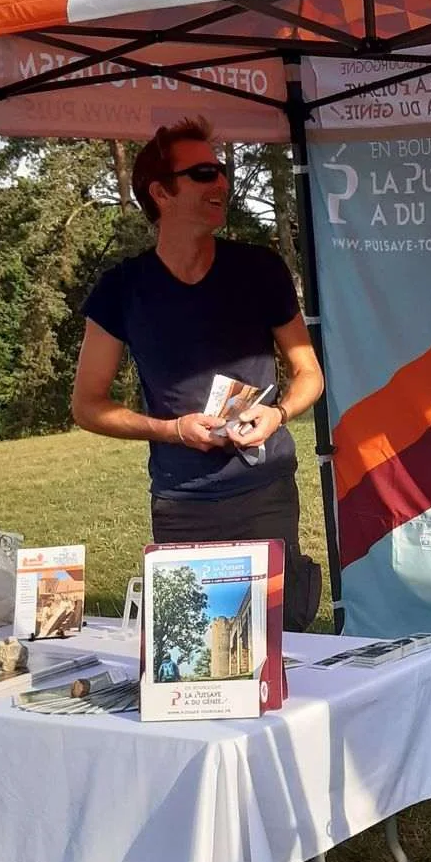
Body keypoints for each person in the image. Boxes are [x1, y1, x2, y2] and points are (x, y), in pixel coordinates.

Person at [72, 119, 325, 629]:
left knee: (280, 645)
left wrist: (277, 414)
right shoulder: (121, 289)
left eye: (223, 170)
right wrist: (170, 430)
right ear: (161, 192)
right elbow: (87, 405)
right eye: (204, 173)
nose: (222, 184)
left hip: (265, 494)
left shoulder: (260, 270)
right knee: (193, 654)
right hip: (181, 503)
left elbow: (309, 374)